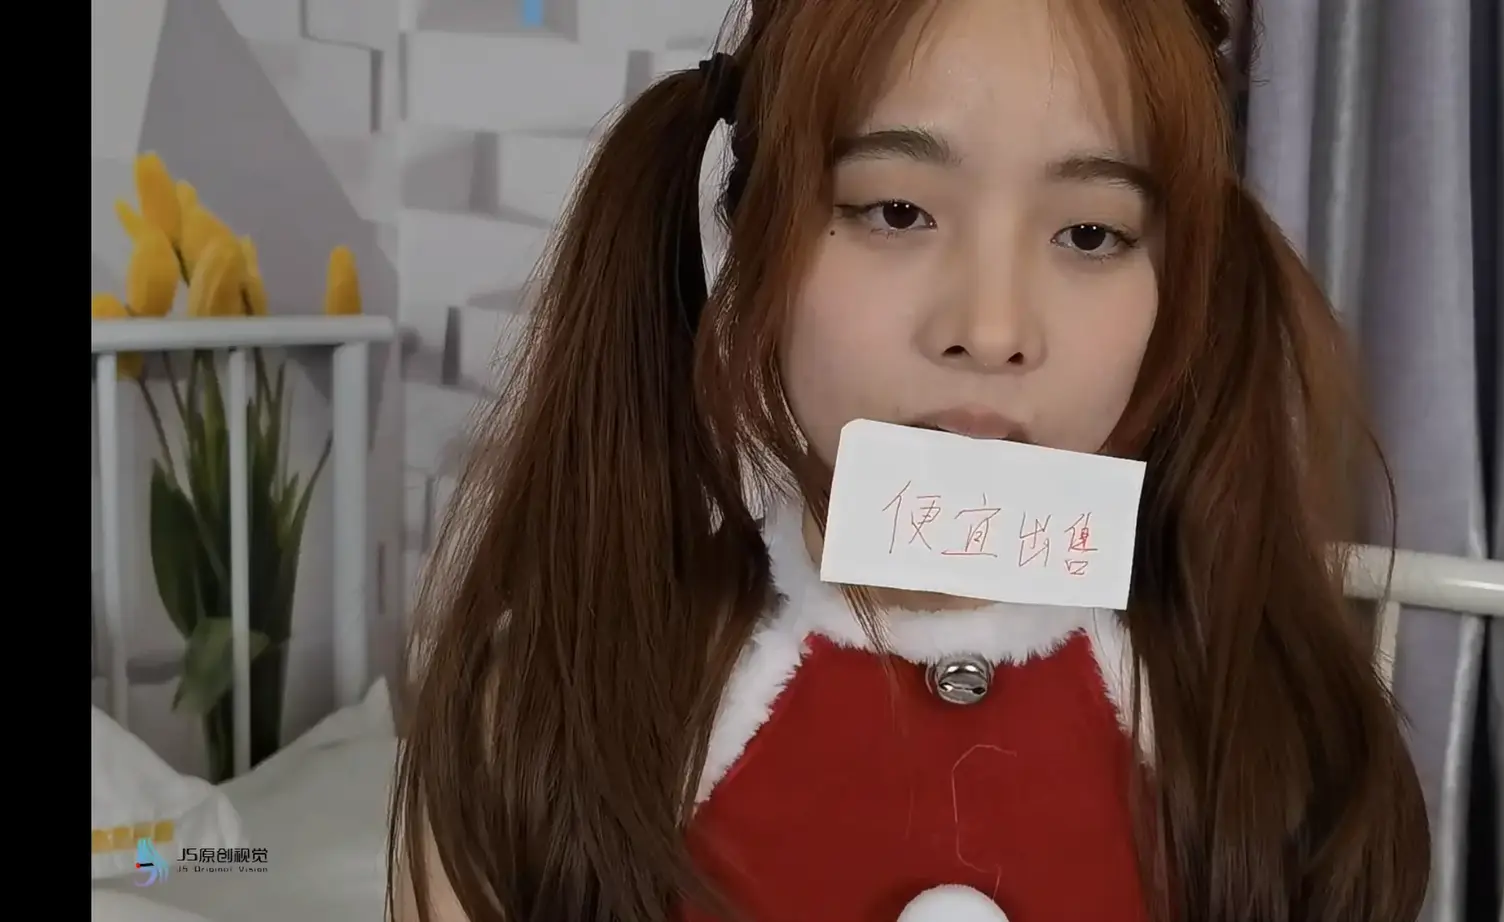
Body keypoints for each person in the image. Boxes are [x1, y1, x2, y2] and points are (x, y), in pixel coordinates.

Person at [390, 0, 1431, 919]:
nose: (991, 329)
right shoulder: (542, 716)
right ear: (753, 242)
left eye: (1090, 234)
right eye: (896, 211)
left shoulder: (1287, 745)